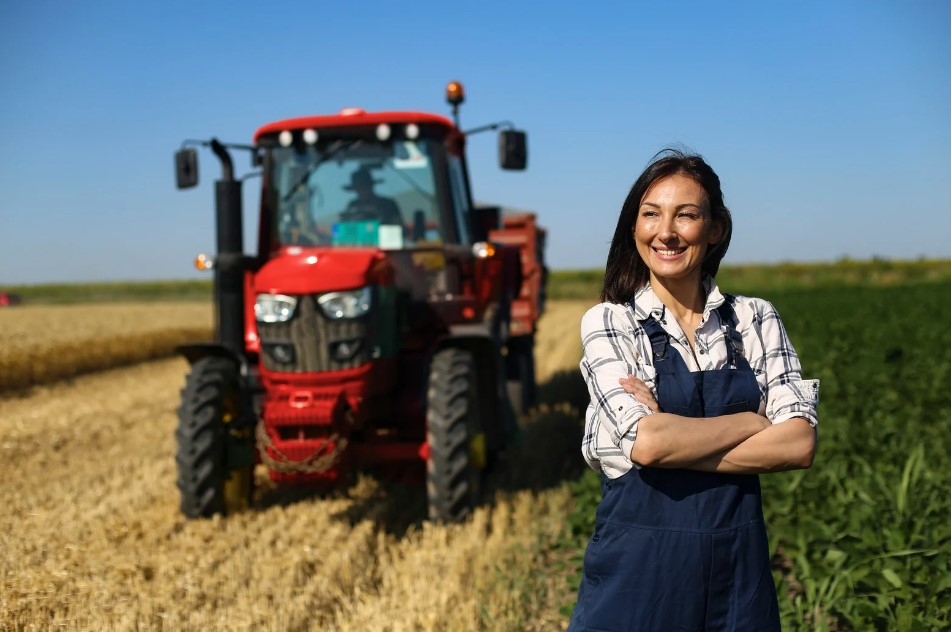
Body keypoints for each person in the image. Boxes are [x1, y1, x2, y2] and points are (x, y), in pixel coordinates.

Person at [568, 149, 819, 632]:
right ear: (634, 227)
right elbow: (648, 442)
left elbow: (798, 443)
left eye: (686, 214)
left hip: (737, 584)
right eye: (651, 214)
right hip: (636, 581)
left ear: (716, 228)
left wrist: (671, 437)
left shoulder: (755, 319)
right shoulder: (611, 321)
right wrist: (750, 423)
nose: (666, 231)